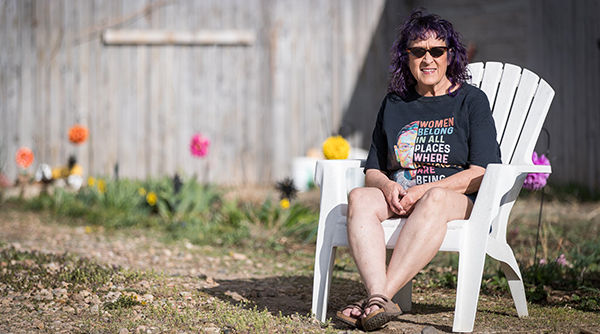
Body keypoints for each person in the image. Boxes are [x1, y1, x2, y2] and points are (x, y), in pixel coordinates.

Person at [335, 9, 501, 332]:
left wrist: (422, 192)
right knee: (359, 197)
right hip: (402, 197)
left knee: (435, 198)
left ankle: (378, 296)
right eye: (418, 52)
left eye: (437, 51)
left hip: (455, 201)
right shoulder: (395, 103)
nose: (428, 59)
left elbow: (481, 171)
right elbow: (373, 170)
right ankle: (378, 297)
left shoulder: (471, 101)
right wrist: (387, 187)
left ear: (450, 56)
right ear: (406, 57)